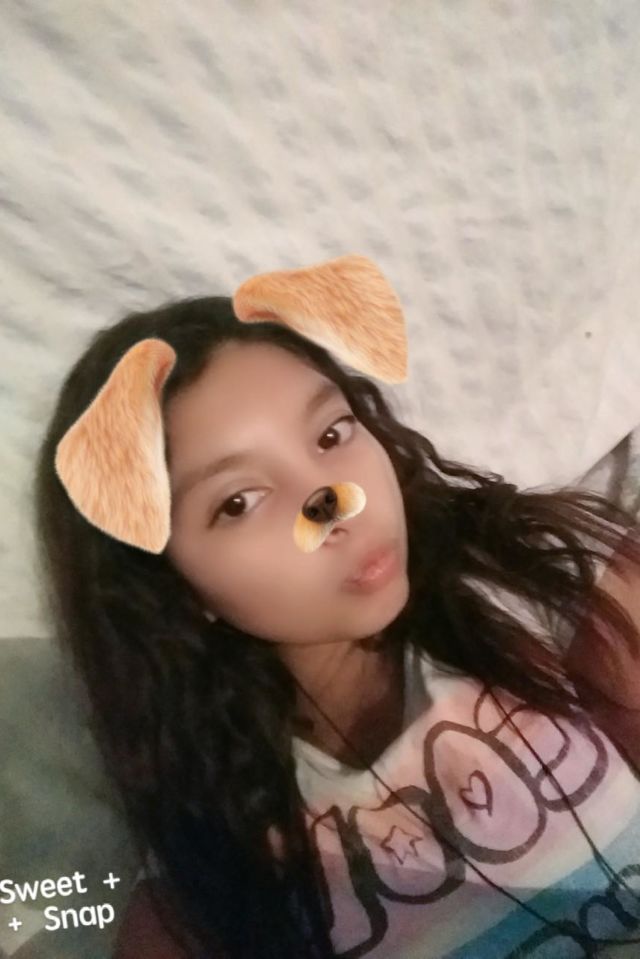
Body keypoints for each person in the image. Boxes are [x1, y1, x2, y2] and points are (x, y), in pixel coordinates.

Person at [32, 295, 640, 959]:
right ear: (171, 586)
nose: (334, 503)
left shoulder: (532, 592)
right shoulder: (213, 880)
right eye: (239, 501)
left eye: (331, 434)